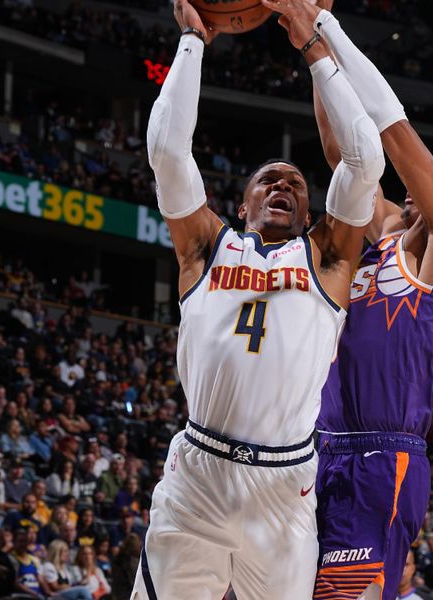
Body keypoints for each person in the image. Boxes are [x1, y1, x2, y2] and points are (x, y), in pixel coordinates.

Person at [131, 0, 384, 595]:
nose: (283, 186)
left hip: (284, 486)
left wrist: (314, 47)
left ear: (306, 209)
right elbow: (168, 154)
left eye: (295, 184)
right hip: (199, 472)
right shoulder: (204, 248)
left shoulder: (328, 257)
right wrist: (192, 42)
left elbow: (365, 159)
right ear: (241, 206)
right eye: (268, 180)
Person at [263, 1, 433, 598]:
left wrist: (326, 27)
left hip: (384, 458)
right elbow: (343, 156)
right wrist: (311, 49)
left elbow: (394, 135)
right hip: (317, 446)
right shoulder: (387, 232)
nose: (426, 178)